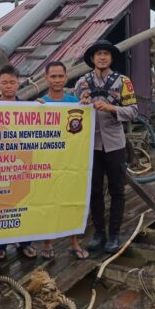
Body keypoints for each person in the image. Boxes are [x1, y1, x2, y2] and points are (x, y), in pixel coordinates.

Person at [74, 40, 138, 253]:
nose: (102, 57)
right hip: (89, 145)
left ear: (110, 58)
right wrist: (80, 103)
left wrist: (112, 108)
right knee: (94, 191)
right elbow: (72, 111)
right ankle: (99, 232)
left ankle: (114, 234)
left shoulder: (123, 82)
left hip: (115, 144)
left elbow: (133, 112)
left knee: (117, 190)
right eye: (98, 54)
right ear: (92, 59)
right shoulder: (82, 83)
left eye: (106, 54)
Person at [0, 65, 40, 261]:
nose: (8, 86)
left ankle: (24, 243)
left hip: (20, 165)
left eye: (12, 82)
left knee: (22, 201)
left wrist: (44, 108)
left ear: (18, 83)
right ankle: (0, 245)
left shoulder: (28, 107)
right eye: (4, 83)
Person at [40, 61, 90, 260]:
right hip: (49, 163)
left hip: (72, 162)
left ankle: (74, 241)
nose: (57, 80)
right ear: (46, 79)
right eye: (53, 76)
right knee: (47, 202)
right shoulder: (39, 104)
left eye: (60, 76)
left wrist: (86, 104)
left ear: (66, 78)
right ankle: (48, 243)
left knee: (72, 201)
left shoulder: (75, 102)